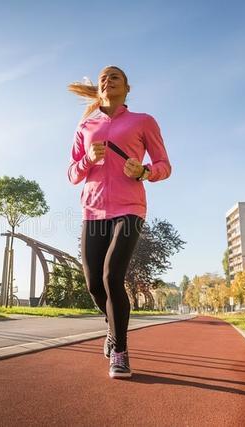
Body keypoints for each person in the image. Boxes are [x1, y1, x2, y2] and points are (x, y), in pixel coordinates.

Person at [67, 65, 172, 379]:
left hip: (129, 208)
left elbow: (165, 165)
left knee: (113, 276)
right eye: (103, 78)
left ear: (127, 87)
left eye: (114, 77)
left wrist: (143, 172)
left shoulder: (143, 122)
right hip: (93, 210)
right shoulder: (85, 127)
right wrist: (89, 159)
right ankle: (112, 327)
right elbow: (72, 173)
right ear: (99, 90)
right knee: (94, 284)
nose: (107, 80)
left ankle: (120, 351)